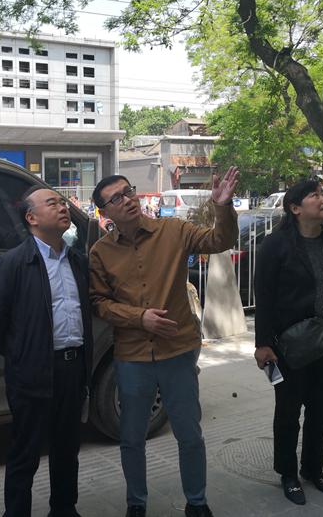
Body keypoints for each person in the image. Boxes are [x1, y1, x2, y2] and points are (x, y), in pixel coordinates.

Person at [89, 169, 240, 517]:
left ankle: (197, 502)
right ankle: (136, 504)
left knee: (189, 433)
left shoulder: (174, 231)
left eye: (129, 191)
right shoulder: (101, 252)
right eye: (116, 198)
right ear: (105, 212)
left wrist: (222, 206)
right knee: (131, 437)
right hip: (132, 356)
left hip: (177, 350)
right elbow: (98, 302)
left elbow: (219, 241)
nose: (128, 200)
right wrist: (138, 317)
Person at [0, 187, 94, 517]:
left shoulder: (77, 261)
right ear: (31, 217)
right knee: (25, 451)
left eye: (63, 202)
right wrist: (21, 353)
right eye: (52, 203)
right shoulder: (13, 263)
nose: (63, 207)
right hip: (32, 372)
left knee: (67, 447)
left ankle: (64, 508)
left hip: (72, 368)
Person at [254, 179, 323, 506]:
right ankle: (288, 474)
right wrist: (263, 344)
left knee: (321, 411)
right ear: (295, 208)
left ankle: (313, 469)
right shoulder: (276, 245)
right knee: (288, 413)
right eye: (315, 196)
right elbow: (264, 297)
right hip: (288, 347)